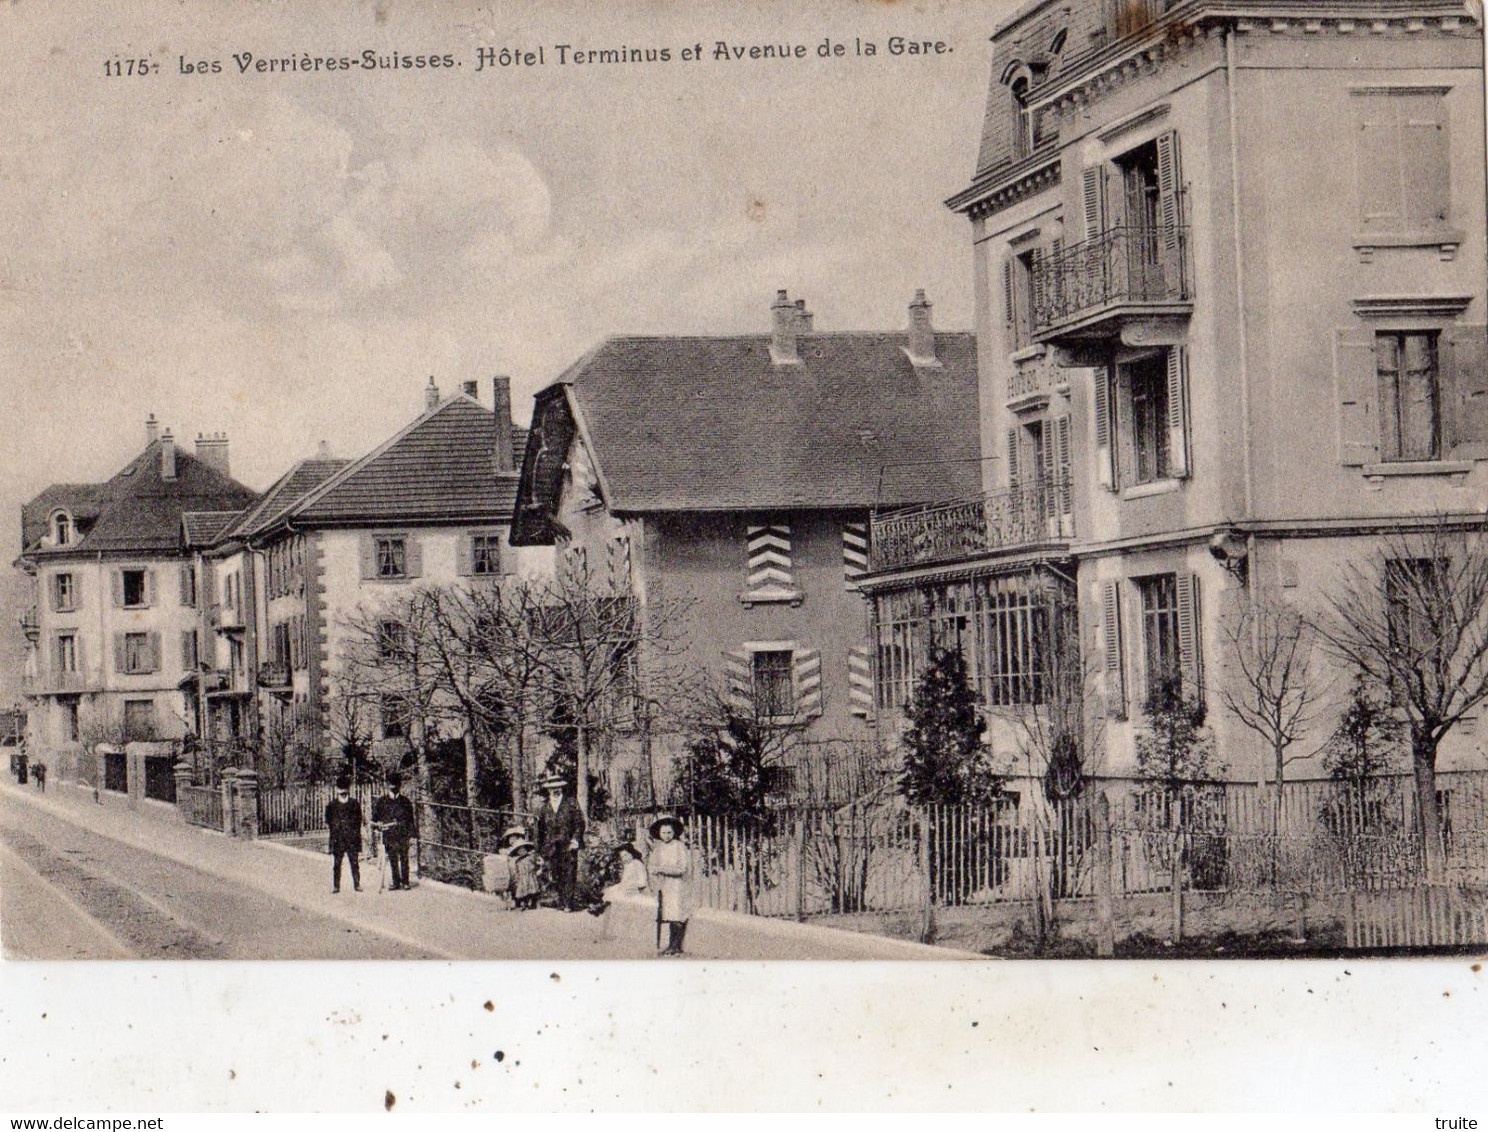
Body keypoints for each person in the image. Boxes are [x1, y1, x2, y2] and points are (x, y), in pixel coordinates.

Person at [535, 774, 585, 910]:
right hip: (550, 846)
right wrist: (539, 850)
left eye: (557, 787)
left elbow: (579, 823)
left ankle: (568, 903)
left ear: (561, 788)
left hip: (568, 845)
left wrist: (575, 839)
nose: (554, 790)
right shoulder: (544, 808)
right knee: (556, 873)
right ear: (548, 789)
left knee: (569, 872)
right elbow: (539, 830)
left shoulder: (571, 803)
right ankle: (561, 900)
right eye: (552, 788)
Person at [647, 815, 693, 956]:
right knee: (669, 914)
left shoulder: (679, 847)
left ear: (674, 833)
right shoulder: (658, 849)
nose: (666, 836)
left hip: (678, 885)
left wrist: (663, 869)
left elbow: (682, 868)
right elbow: (652, 866)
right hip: (665, 885)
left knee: (678, 914)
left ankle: (677, 945)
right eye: (663, 833)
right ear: (659, 834)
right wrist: (655, 873)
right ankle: (671, 944)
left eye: (669, 833)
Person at [372, 772, 417, 891]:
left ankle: (405, 882)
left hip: (402, 834)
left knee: (404, 858)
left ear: (400, 786)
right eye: (391, 786)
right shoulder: (381, 802)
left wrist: (412, 835)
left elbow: (411, 820)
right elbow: (374, 820)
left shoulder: (405, 802)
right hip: (389, 835)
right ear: (387, 786)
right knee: (392, 858)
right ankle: (396, 882)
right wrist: (378, 825)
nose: (394, 789)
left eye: (396, 786)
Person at [325, 776, 363, 893]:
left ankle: (357, 885)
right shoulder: (331, 805)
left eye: (344, 789)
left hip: (352, 839)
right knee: (337, 863)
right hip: (338, 839)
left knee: (354, 863)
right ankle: (336, 886)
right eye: (340, 789)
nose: (342, 792)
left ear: (348, 790)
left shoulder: (354, 804)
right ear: (337, 790)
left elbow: (359, 820)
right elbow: (328, 821)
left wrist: (353, 832)